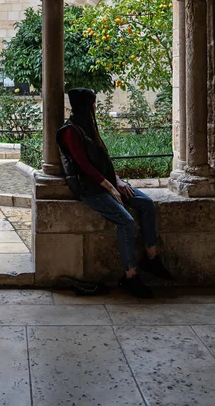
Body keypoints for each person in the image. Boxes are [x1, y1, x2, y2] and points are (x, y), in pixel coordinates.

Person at [56, 88, 172, 299]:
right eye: (93, 103)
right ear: (85, 105)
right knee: (125, 221)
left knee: (145, 203)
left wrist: (117, 181)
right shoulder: (70, 131)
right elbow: (83, 165)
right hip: (89, 188)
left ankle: (152, 257)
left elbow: (104, 159)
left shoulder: (88, 127)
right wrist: (109, 187)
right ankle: (130, 276)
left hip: (106, 183)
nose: (95, 107)